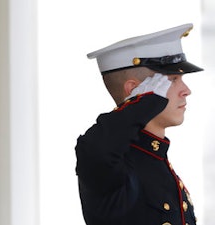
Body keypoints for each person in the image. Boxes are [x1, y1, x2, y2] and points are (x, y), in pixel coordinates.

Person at [75, 24, 203, 225]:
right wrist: (143, 104)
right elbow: (93, 149)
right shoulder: (116, 167)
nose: (186, 90)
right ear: (137, 91)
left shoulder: (156, 160)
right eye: (173, 79)